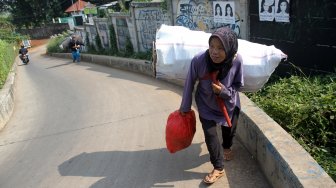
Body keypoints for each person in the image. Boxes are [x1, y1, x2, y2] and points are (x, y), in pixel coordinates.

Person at [179, 27, 243, 184]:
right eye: (212, 46)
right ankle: (218, 167)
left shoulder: (237, 61)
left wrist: (224, 92)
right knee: (210, 135)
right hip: (206, 105)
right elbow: (189, 83)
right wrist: (185, 109)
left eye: (220, 48)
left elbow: (238, 85)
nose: (214, 51)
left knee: (228, 133)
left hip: (229, 105)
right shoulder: (199, 60)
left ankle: (227, 147)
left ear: (230, 49)